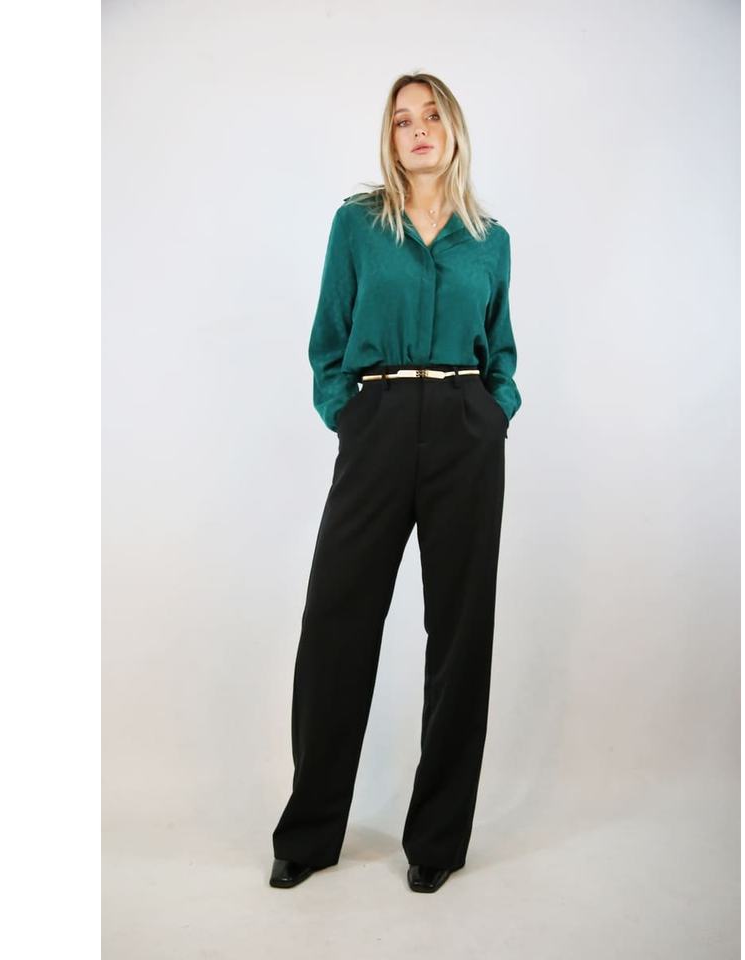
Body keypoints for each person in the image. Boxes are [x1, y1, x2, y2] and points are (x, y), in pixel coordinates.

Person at [270, 72, 522, 894]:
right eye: (402, 119)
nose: (418, 129)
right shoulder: (358, 224)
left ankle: (437, 842)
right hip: (376, 423)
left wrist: (494, 410)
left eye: (431, 115)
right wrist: (347, 412)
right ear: (390, 137)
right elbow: (328, 340)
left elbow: (502, 349)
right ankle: (310, 834)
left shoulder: (490, 240)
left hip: (464, 428)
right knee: (335, 624)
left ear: (454, 129)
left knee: (459, 635)